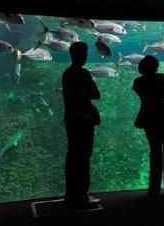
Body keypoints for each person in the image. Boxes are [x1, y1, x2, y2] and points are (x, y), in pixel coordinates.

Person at [62, 41, 101, 209]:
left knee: (73, 157)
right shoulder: (83, 73)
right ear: (82, 56)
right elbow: (95, 94)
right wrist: (92, 108)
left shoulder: (66, 73)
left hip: (70, 119)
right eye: (85, 54)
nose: (86, 56)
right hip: (84, 120)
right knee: (84, 157)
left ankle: (71, 194)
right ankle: (82, 196)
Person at [132, 55, 164, 197]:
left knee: (155, 153)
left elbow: (145, 94)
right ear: (156, 66)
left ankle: (154, 189)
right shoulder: (161, 78)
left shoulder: (137, 82)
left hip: (149, 118)